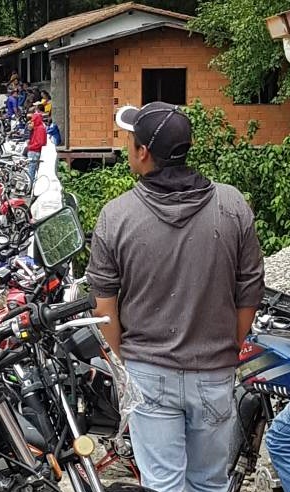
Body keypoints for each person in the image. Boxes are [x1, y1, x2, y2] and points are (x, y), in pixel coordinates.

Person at [87, 102, 264, 492]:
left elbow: (104, 309)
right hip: (215, 371)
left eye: (131, 140)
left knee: (163, 484)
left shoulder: (116, 216)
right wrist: (227, 347)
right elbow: (249, 290)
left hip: (149, 373)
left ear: (143, 152)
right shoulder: (233, 206)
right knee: (209, 483)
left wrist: (128, 361)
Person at [26, 112, 46, 181]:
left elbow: (40, 143)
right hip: (34, 150)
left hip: (34, 151)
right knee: (32, 168)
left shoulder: (40, 129)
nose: (32, 121)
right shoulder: (37, 128)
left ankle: (30, 184)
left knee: (31, 169)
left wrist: (29, 147)